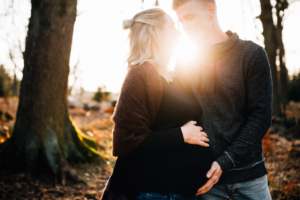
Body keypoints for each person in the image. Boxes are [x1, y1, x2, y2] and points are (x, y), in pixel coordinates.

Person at [101, 8, 214, 200]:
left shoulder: (171, 76)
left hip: (183, 191)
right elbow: (126, 142)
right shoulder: (140, 74)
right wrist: (181, 135)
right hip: (156, 192)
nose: (179, 32)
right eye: (173, 26)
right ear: (157, 32)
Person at [173, 0, 273, 199]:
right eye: (181, 21)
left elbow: (261, 116)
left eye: (190, 17)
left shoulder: (251, 55)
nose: (185, 26)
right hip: (207, 182)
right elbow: (182, 120)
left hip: (249, 178)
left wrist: (225, 161)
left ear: (211, 11)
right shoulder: (184, 65)